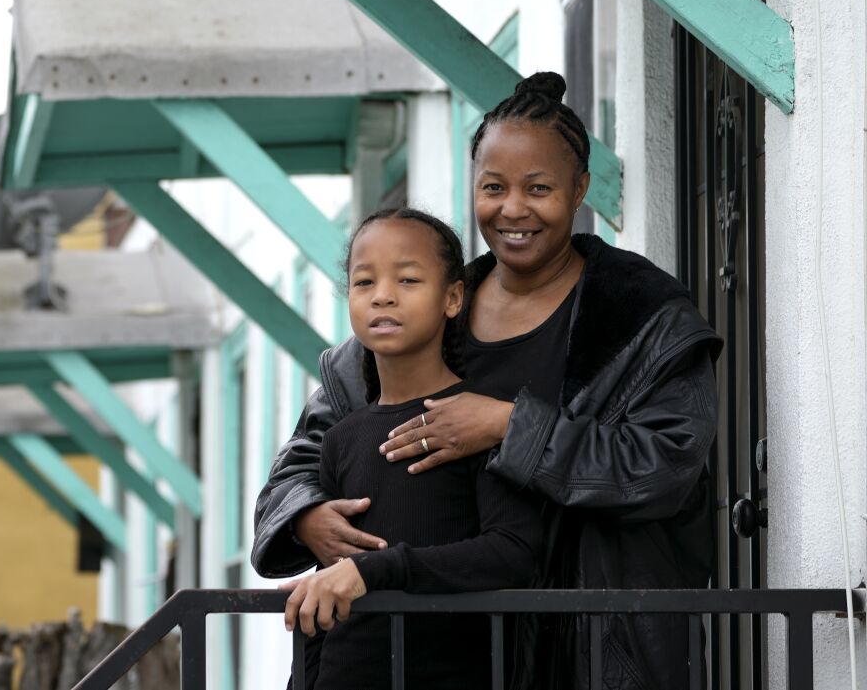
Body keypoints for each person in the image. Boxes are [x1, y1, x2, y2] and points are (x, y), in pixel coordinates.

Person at [255, 72, 721, 690]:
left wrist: (510, 426)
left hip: (595, 652)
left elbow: (665, 467)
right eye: (493, 187)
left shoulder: (642, 317)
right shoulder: (409, 321)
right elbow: (298, 467)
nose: (513, 209)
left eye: (539, 188)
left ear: (580, 188)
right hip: (437, 661)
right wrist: (308, 517)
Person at [280, 208, 544, 689]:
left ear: (452, 298)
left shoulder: (478, 420)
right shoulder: (340, 439)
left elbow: (513, 552)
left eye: (407, 279)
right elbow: (326, 595)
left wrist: (377, 570)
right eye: (364, 283)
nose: (383, 295)